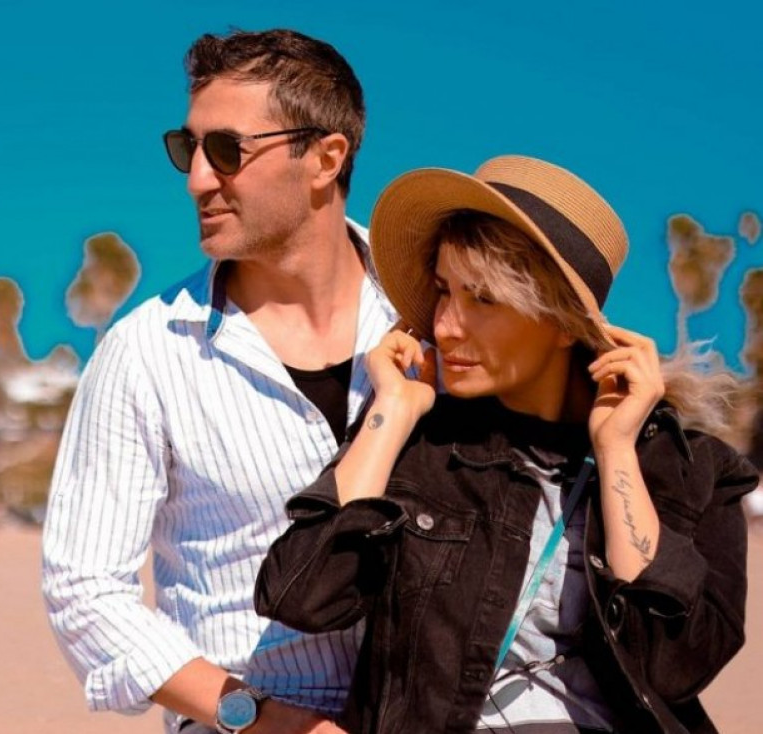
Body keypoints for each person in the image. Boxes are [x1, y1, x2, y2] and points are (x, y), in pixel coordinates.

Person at [255, 155, 758, 733]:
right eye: (444, 291)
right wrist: (392, 410)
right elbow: (301, 594)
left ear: (563, 322)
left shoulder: (693, 470)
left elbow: (678, 664)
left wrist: (616, 450)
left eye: (483, 299)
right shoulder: (425, 447)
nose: (445, 326)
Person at [42, 28, 396, 734]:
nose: (197, 179)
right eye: (189, 148)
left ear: (326, 158)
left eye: (228, 150)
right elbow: (84, 589)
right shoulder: (147, 350)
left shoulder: (437, 321)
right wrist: (257, 718)